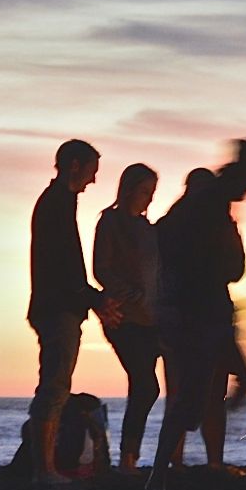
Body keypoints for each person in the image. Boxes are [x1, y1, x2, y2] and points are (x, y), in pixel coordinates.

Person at [148, 141, 246, 490]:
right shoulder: (207, 206)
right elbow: (230, 266)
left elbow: (233, 267)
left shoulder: (205, 210)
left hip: (206, 313)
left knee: (237, 382)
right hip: (199, 315)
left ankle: (168, 464)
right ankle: (159, 475)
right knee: (197, 395)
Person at [27, 140, 122, 485]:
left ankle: (46, 467)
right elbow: (63, 268)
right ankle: (44, 470)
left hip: (60, 305)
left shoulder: (60, 203)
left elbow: (67, 269)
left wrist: (91, 300)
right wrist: (93, 300)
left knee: (57, 384)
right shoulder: (55, 205)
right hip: (57, 308)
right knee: (54, 385)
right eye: (92, 172)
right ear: (75, 166)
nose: (93, 181)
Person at [93, 163, 162, 473]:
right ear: (129, 189)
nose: (148, 198)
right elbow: (101, 268)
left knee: (145, 386)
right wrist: (127, 293)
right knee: (146, 385)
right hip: (123, 316)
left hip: (152, 318)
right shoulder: (110, 222)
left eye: (152, 193)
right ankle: (127, 458)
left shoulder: (149, 230)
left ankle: (130, 458)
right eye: (144, 191)